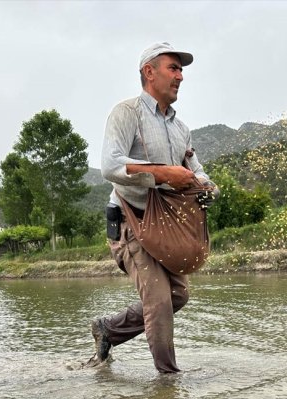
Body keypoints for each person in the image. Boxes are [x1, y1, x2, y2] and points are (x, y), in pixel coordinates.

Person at [88, 42, 218, 373]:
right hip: (129, 223)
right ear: (149, 72)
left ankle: (109, 329)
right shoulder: (126, 113)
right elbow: (110, 165)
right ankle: (169, 386)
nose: (180, 77)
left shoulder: (180, 128)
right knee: (159, 302)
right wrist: (162, 173)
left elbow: (196, 171)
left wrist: (206, 187)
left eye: (181, 70)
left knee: (177, 296)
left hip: (165, 229)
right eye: (173, 69)